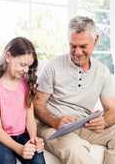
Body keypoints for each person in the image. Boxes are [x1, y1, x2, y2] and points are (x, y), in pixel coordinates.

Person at [34, 16, 115, 164]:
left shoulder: (102, 72)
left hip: (84, 125)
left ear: (95, 40)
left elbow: (112, 110)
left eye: (83, 46)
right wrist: (55, 121)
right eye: (72, 46)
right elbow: (38, 105)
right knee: (74, 150)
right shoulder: (53, 66)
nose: (77, 52)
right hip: (53, 127)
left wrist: (103, 121)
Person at [0, 37, 46, 164]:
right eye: (23, 65)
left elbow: (30, 119)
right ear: (8, 56)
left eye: (29, 66)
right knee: (7, 161)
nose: (26, 70)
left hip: (22, 135)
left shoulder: (26, 84)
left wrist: (33, 139)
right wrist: (20, 149)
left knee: (38, 161)